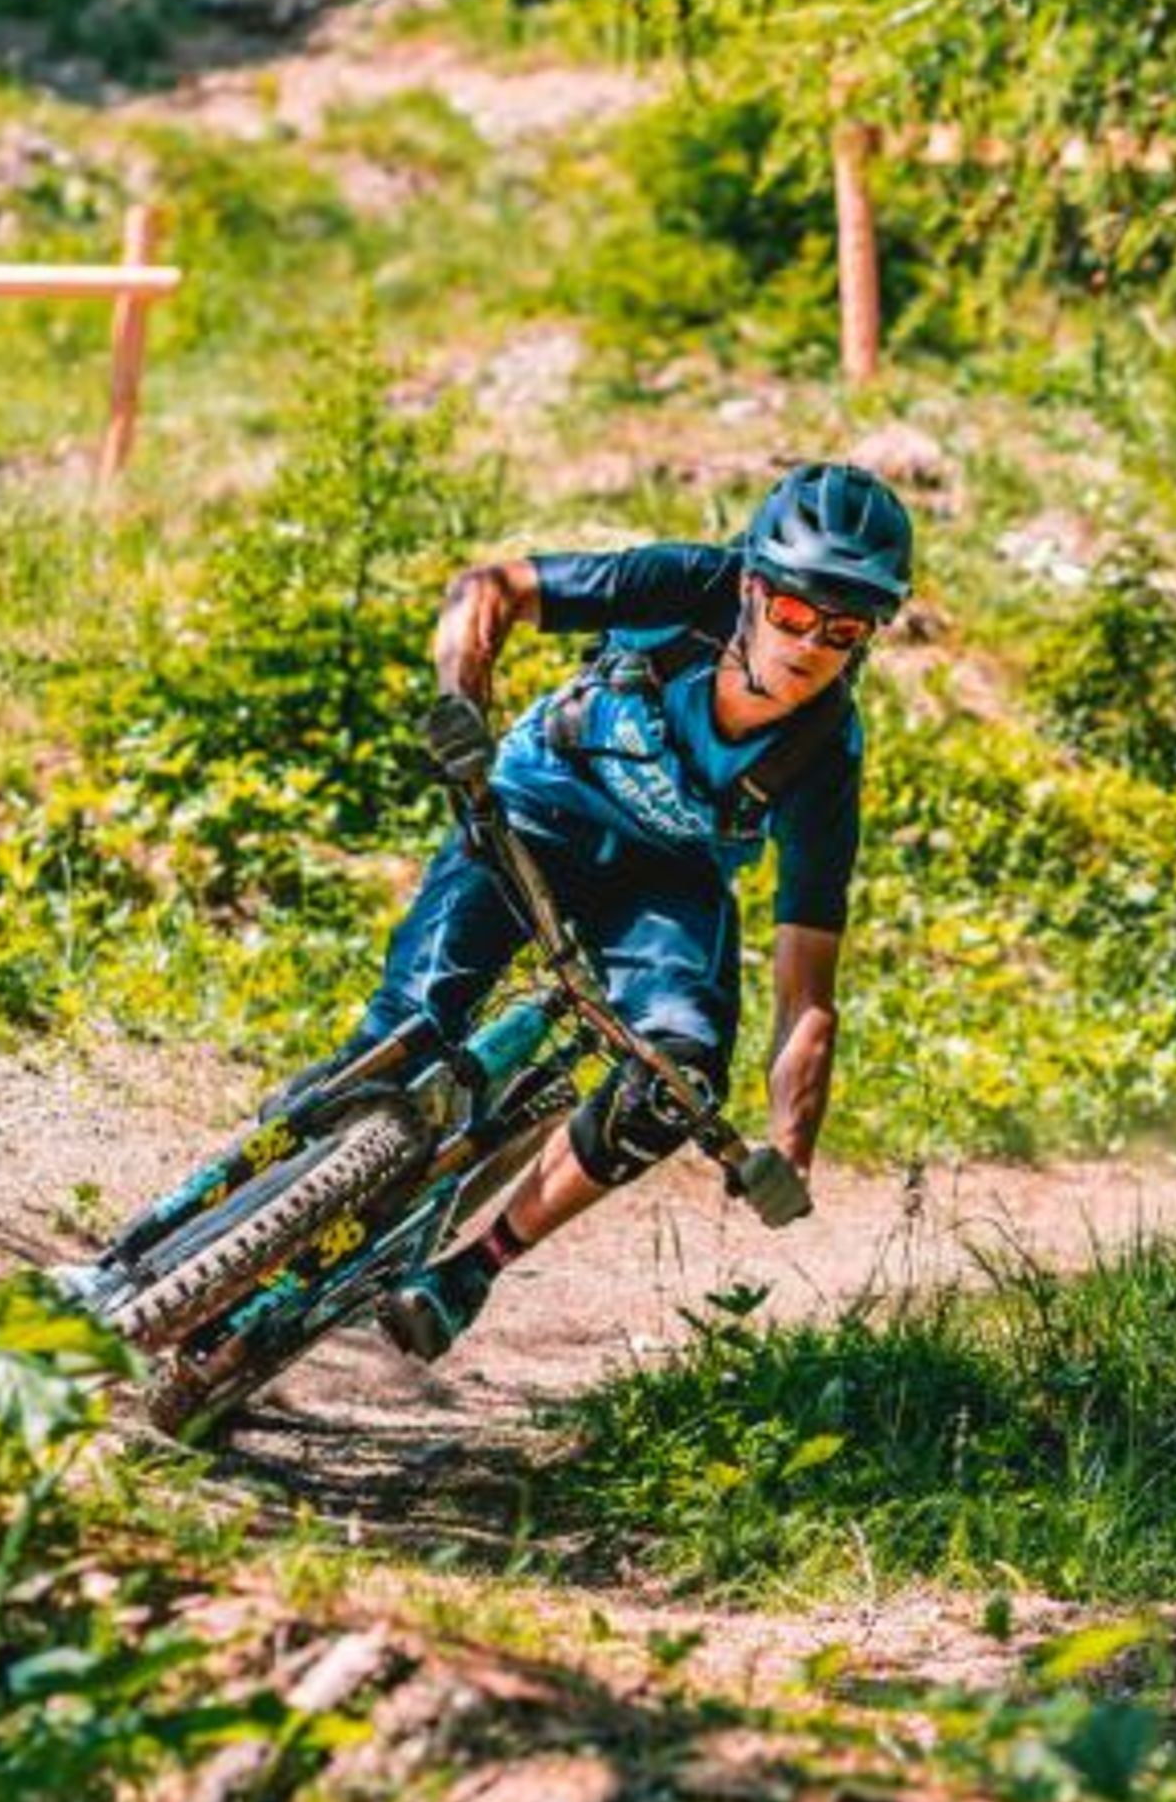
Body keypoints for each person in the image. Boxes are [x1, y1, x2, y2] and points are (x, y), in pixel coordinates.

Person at [341, 461, 915, 1361]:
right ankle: (280, 1168)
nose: (810, 644)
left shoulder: (825, 752)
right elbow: (487, 590)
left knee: (681, 1077)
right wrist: (462, 701)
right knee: (411, 1027)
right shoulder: (686, 585)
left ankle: (468, 1271)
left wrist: (791, 1149)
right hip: (541, 806)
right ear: (754, 587)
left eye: (843, 629)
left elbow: (808, 990)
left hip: (668, 882)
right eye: (797, 611)